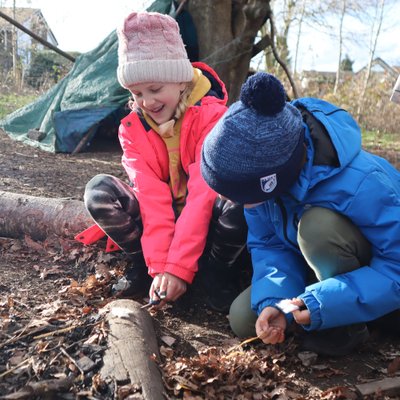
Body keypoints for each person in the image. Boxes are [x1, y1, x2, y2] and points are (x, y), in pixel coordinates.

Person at [200, 72, 400, 356]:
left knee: (316, 228)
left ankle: (347, 325)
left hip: (377, 276)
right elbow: (269, 246)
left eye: (233, 193)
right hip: (316, 273)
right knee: (245, 318)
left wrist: (322, 304)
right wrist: (279, 303)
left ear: (272, 181)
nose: (223, 200)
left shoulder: (365, 183)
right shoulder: (260, 194)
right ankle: (320, 313)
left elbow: (396, 267)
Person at [76, 11, 249, 313]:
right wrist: (160, 267)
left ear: (181, 81)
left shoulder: (214, 119)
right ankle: (142, 265)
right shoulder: (132, 128)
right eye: (136, 93)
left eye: (155, 89)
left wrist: (179, 268)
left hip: (206, 222)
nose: (146, 102)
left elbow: (202, 193)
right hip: (160, 224)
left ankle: (218, 272)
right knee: (99, 190)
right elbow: (151, 198)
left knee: (238, 197)